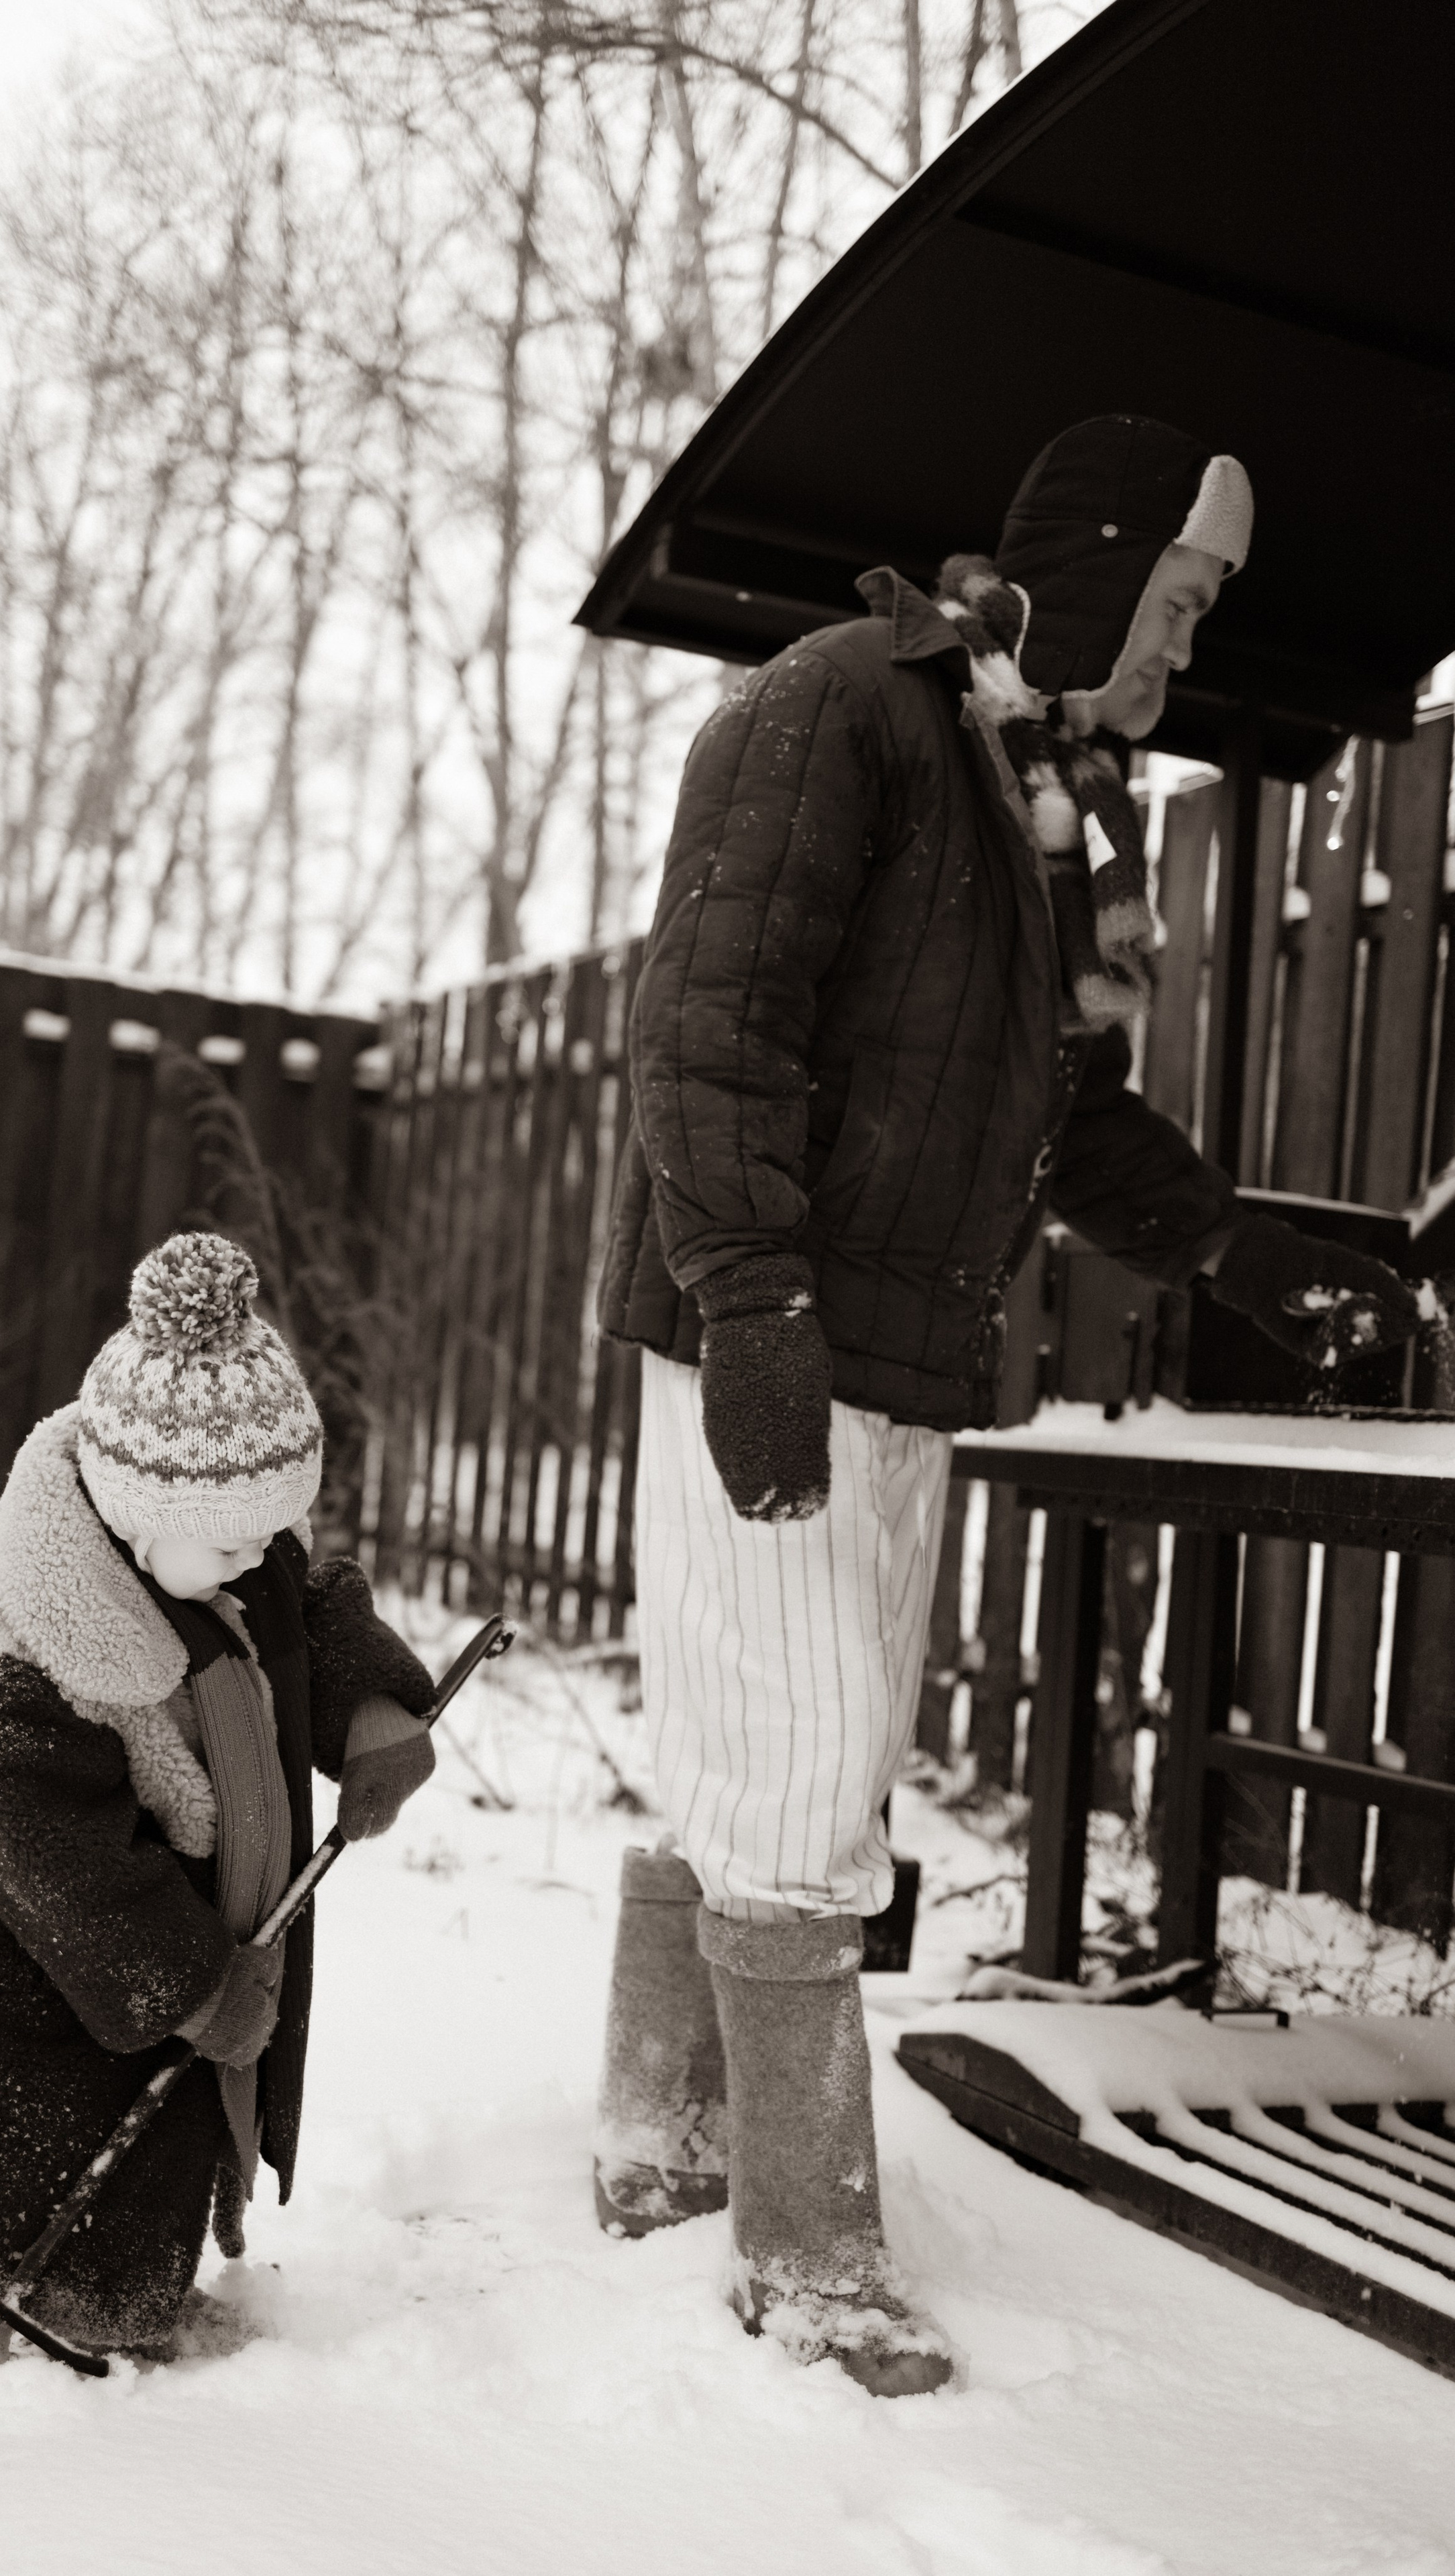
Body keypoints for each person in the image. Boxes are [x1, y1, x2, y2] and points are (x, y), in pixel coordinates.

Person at [593, 415, 1419, 2396]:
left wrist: (1232, 1251)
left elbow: (1056, 1108)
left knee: (797, 1752)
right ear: (1102, 558)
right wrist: (757, 1299)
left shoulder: (1039, 801)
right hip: (765, 1323)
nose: (1184, 649)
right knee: (792, 1761)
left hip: (895, 1345)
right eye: (1182, 600)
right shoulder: (846, 712)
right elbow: (710, 1019)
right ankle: (802, 2257)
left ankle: (664, 2143)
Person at [0, 1230, 437, 2392]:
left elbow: (302, 1612)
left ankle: (121, 2300)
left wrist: (370, 1709)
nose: (259, 1555)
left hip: (157, 1944)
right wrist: (197, 1989)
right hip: (22, 1968)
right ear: (129, 1511)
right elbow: (71, 1877)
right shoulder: (25, 1673)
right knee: (27, 2149)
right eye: (234, 1538)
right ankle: (16, 2336)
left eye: (273, 1529)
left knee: (153, 2139)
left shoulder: (225, 1550)